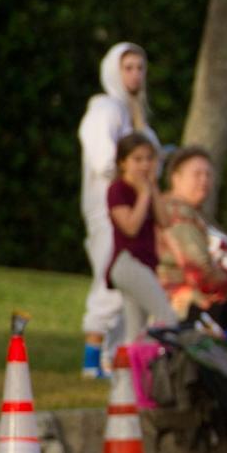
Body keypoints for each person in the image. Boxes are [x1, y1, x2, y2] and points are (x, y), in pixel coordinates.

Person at [78, 42, 161, 377]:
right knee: (112, 278)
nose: (135, 74)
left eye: (140, 67)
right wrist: (134, 176)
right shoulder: (106, 110)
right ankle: (92, 359)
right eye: (128, 67)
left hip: (137, 210)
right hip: (110, 209)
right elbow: (103, 159)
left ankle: (115, 357)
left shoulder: (134, 113)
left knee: (133, 282)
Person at [157, 146, 227, 338]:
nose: (204, 181)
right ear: (176, 178)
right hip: (194, 303)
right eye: (197, 174)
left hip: (214, 297)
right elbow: (198, 270)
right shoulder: (177, 214)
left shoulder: (195, 214)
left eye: (208, 175)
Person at [107, 135, 179, 343]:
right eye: (137, 160)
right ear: (123, 162)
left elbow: (164, 221)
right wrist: (144, 194)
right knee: (167, 318)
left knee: (135, 331)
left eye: (149, 159)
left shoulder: (147, 189)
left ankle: (129, 373)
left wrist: (152, 189)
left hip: (146, 264)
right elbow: (130, 227)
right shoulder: (118, 190)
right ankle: (154, 364)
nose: (145, 165)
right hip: (127, 263)